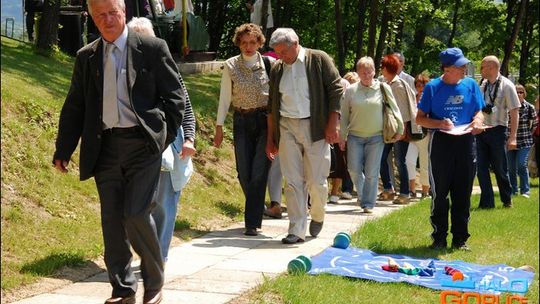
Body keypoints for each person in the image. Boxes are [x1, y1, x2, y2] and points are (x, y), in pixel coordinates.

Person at [52, 0, 186, 302]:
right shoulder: (86, 56)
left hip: (143, 145)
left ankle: (154, 281)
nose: (107, 20)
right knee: (112, 219)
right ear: (92, 18)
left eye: (113, 13)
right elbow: (75, 105)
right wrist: (64, 148)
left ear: (123, 12)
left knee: (136, 213)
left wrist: (161, 138)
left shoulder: (152, 48)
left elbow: (175, 98)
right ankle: (123, 289)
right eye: (100, 15)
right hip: (104, 147)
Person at [126, 17, 197, 263]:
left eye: (144, 38)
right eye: (135, 38)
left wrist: (189, 138)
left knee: (164, 205)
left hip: (167, 147)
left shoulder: (168, 68)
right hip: (133, 147)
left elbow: (186, 108)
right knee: (135, 206)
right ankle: (146, 254)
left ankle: (159, 259)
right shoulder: (120, 68)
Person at [266, 28, 344, 244]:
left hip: (316, 126)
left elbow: (336, 89)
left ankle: (318, 214)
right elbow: (272, 105)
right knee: (292, 181)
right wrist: (271, 138)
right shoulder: (278, 69)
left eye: (284, 51)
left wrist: (333, 123)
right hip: (287, 126)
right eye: (277, 53)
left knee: (316, 182)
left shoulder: (318, 59)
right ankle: (296, 229)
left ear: (296, 43)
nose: (281, 56)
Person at [416, 47, 484, 251]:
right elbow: (419, 118)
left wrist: (478, 121)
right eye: (460, 66)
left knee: (463, 193)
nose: (464, 68)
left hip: (466, 142)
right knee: (440, 193)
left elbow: (479, 111)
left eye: (464, 65)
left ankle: (460, 239)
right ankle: (438, 237)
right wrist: (439, 124)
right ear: (447, 68)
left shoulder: (471, 85)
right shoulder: (433, 88)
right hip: (441, 144)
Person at [214, 23, 274, 236]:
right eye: (244, 42)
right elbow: (224, 98)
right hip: (241, 121)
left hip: (265, 121)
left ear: (259, 43)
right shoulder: (230, 65)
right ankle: (256, 206)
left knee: (259, 172)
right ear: (239, 43)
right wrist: (219, 126)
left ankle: (252, 223)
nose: (248, 46)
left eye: (252, 42)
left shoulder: (270, 64)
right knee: (244, 173)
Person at [339, 57, 403, 213]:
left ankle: (368, 203)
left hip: (376, 136)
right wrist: (342, 135)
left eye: (369, 71)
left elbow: (395, 109)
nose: (366, 75)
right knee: (353, 168)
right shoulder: (351, 90)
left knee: (371, 171)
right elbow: (345, 115)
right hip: (355, 135)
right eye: (363, 72)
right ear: (358, 73)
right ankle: (363, 194)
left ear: (374, 71)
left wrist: (400, 129)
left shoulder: (383, 88)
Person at [477, 55, 520, 209]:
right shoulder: (482, 84)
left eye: (483, 67)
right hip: (482, 131)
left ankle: (507, 199)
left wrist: (513, 137)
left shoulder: (507, 85)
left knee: (499, 168)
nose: (480, 70)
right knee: (480, 168)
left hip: (498, 131)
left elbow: (515, 112)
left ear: (492, 68)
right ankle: (487, 203)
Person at [379, 54, 422, 204]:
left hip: (399, 129)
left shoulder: (397, 85)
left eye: (382, 67)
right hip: (389, 129)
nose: (381, 70)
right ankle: (389, 189)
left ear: (386, 68)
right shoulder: (387, 83)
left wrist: (401, 131)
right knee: (382, 158)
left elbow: (403, 110)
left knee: (399, 160)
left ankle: (404, 193)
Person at [507, 84, 537, 198]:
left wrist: (529, 135)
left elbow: (534, 124)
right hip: (509, 141)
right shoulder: (507, 107)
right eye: (516, 92)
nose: (519, 94)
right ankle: (513, 190)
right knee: (511, 167)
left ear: (524, 93)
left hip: (525, 141)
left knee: (521, 164)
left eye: (521, 92)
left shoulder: (529, 107)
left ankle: (525, 191)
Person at [405, 73, 431, 199]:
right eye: (418, 85)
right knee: (409, 161)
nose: (420, 87)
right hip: (414, 134)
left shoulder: (430, 98)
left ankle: (425, 190)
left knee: (424, 163)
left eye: (422, 85)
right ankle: (412, 189)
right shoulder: (413, 97)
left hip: (426, 134)